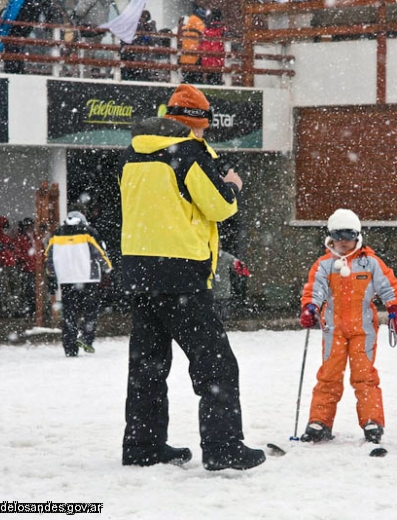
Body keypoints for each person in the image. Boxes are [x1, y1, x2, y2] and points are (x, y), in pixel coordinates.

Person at [117, 83, 266, 471]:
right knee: (216, 366)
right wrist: (232, 183)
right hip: (181, 274)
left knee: (147, 366)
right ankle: (223, 447)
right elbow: (219, 206)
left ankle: (142, 446)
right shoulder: (187, 151)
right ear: (197, 123)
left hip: (139, 271)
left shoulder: (133, 152)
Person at [299, 208, 397, 445]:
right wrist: (311, 306)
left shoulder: (370, 263)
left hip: (363, 330)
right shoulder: (325, 264)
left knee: (364, 376)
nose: (343, 242)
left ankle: (372, 421)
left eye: (348, 236)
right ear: (330, 236)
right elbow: (315, 289)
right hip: (333, 329)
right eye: (338, 236)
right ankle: (320, 422)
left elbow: (389, 286)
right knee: (329, 375)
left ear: (357, 235)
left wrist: (395, 309)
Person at [45, 210, 112, 357]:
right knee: (90, 311)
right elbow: (99, 252)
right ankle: (86, 338)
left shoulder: (57, 234)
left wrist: (51, 277)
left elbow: (49, 257)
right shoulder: (88, 232)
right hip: (88, 278)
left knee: (69, 313)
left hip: (67, 279)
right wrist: (108, 268)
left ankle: (70, 346)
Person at [212, 246, 250, 323]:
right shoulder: (207, 256)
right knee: (214, 312)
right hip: (212, 290)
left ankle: (221, 325)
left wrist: (242, 269)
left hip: (223, 289)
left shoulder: (226, 257)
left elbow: (237, 265)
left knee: (223, 313)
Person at [120, 10, 157, 81]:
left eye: (143, 17)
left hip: (142, 57)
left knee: (139, 74)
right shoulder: (133, 26)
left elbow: (152, 39)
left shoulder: (149, 26)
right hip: (136, 57)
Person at [14, 217, 39, 319]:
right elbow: (18, 254)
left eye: (31, 226)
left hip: (35, 269)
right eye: (28, 226)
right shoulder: (21, 239)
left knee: (34, 291)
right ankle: (31, 310)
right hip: (28, 269)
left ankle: (34, 310)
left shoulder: (36, 237)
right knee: (29, 291)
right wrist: (28, 259)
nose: (30, 228)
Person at [179, 4, 209, 84]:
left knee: (187, 81)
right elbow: (205, 37)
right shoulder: (200, 24)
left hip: (184, 58)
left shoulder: (188, 22)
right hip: (195, 58)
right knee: (196, 82)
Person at [198, 8, 227, 85]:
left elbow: (200, 45)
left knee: (209, 80)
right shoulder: (222, 29)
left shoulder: (205, 29)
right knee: (217, 80)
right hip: (218, 61)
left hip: (206, 61)